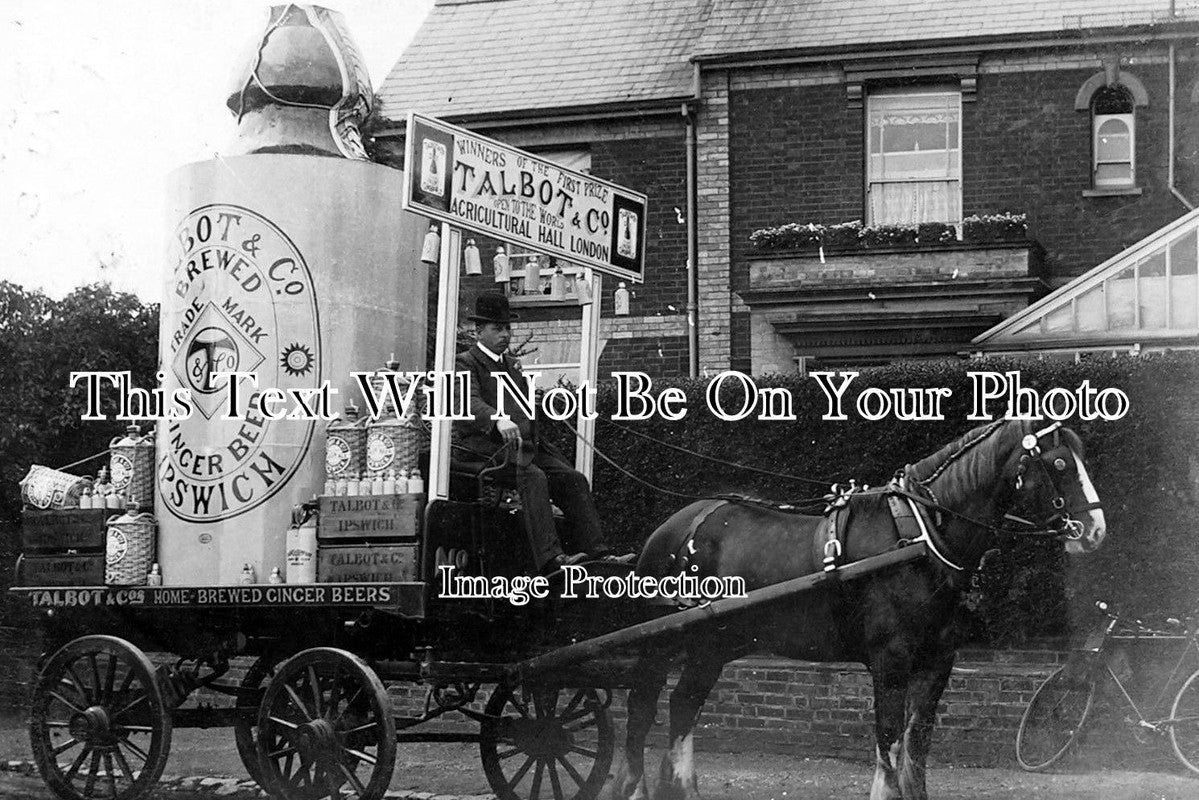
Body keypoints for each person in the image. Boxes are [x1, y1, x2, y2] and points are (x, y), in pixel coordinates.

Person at [453, 293, 631, 574]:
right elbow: (468, 401)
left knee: (573, 479)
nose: (505, 334)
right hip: (482, 448)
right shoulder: (465, 362)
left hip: (520, 448)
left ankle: (599, 554)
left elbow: (524, 406)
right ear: (479, 331)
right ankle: (552, 560)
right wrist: (497, 419)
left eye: (507, 328)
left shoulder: (512, 365)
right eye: (497, 329)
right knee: (533, 477)